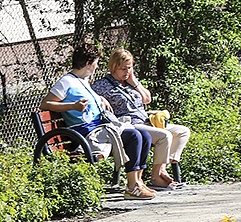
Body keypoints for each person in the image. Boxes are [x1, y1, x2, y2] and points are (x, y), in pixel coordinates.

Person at [40, 43, 155, 200]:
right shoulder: (66, 81)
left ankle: (138, 182)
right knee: (134, 136)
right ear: (88, 64)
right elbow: (45, 104)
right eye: (96, 63)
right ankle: (132, 186)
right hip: (85, 133)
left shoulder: (82, 80)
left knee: (145, 135)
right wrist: (72, 106)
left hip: (99, 127)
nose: (97, 66)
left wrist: (99, 98)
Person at [92, 48, 190, 189]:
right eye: (123, 69)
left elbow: (147, 99)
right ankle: (156, 177)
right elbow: (89, 97)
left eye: (129, 67)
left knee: (182, 131)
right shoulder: (102, 85)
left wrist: (134, 82)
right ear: (114, 67)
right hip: (130, 125)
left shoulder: (131, 81)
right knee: (165, 136)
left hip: (146, 121)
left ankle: (164, 167)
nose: (127, 72)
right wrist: (100, 98)